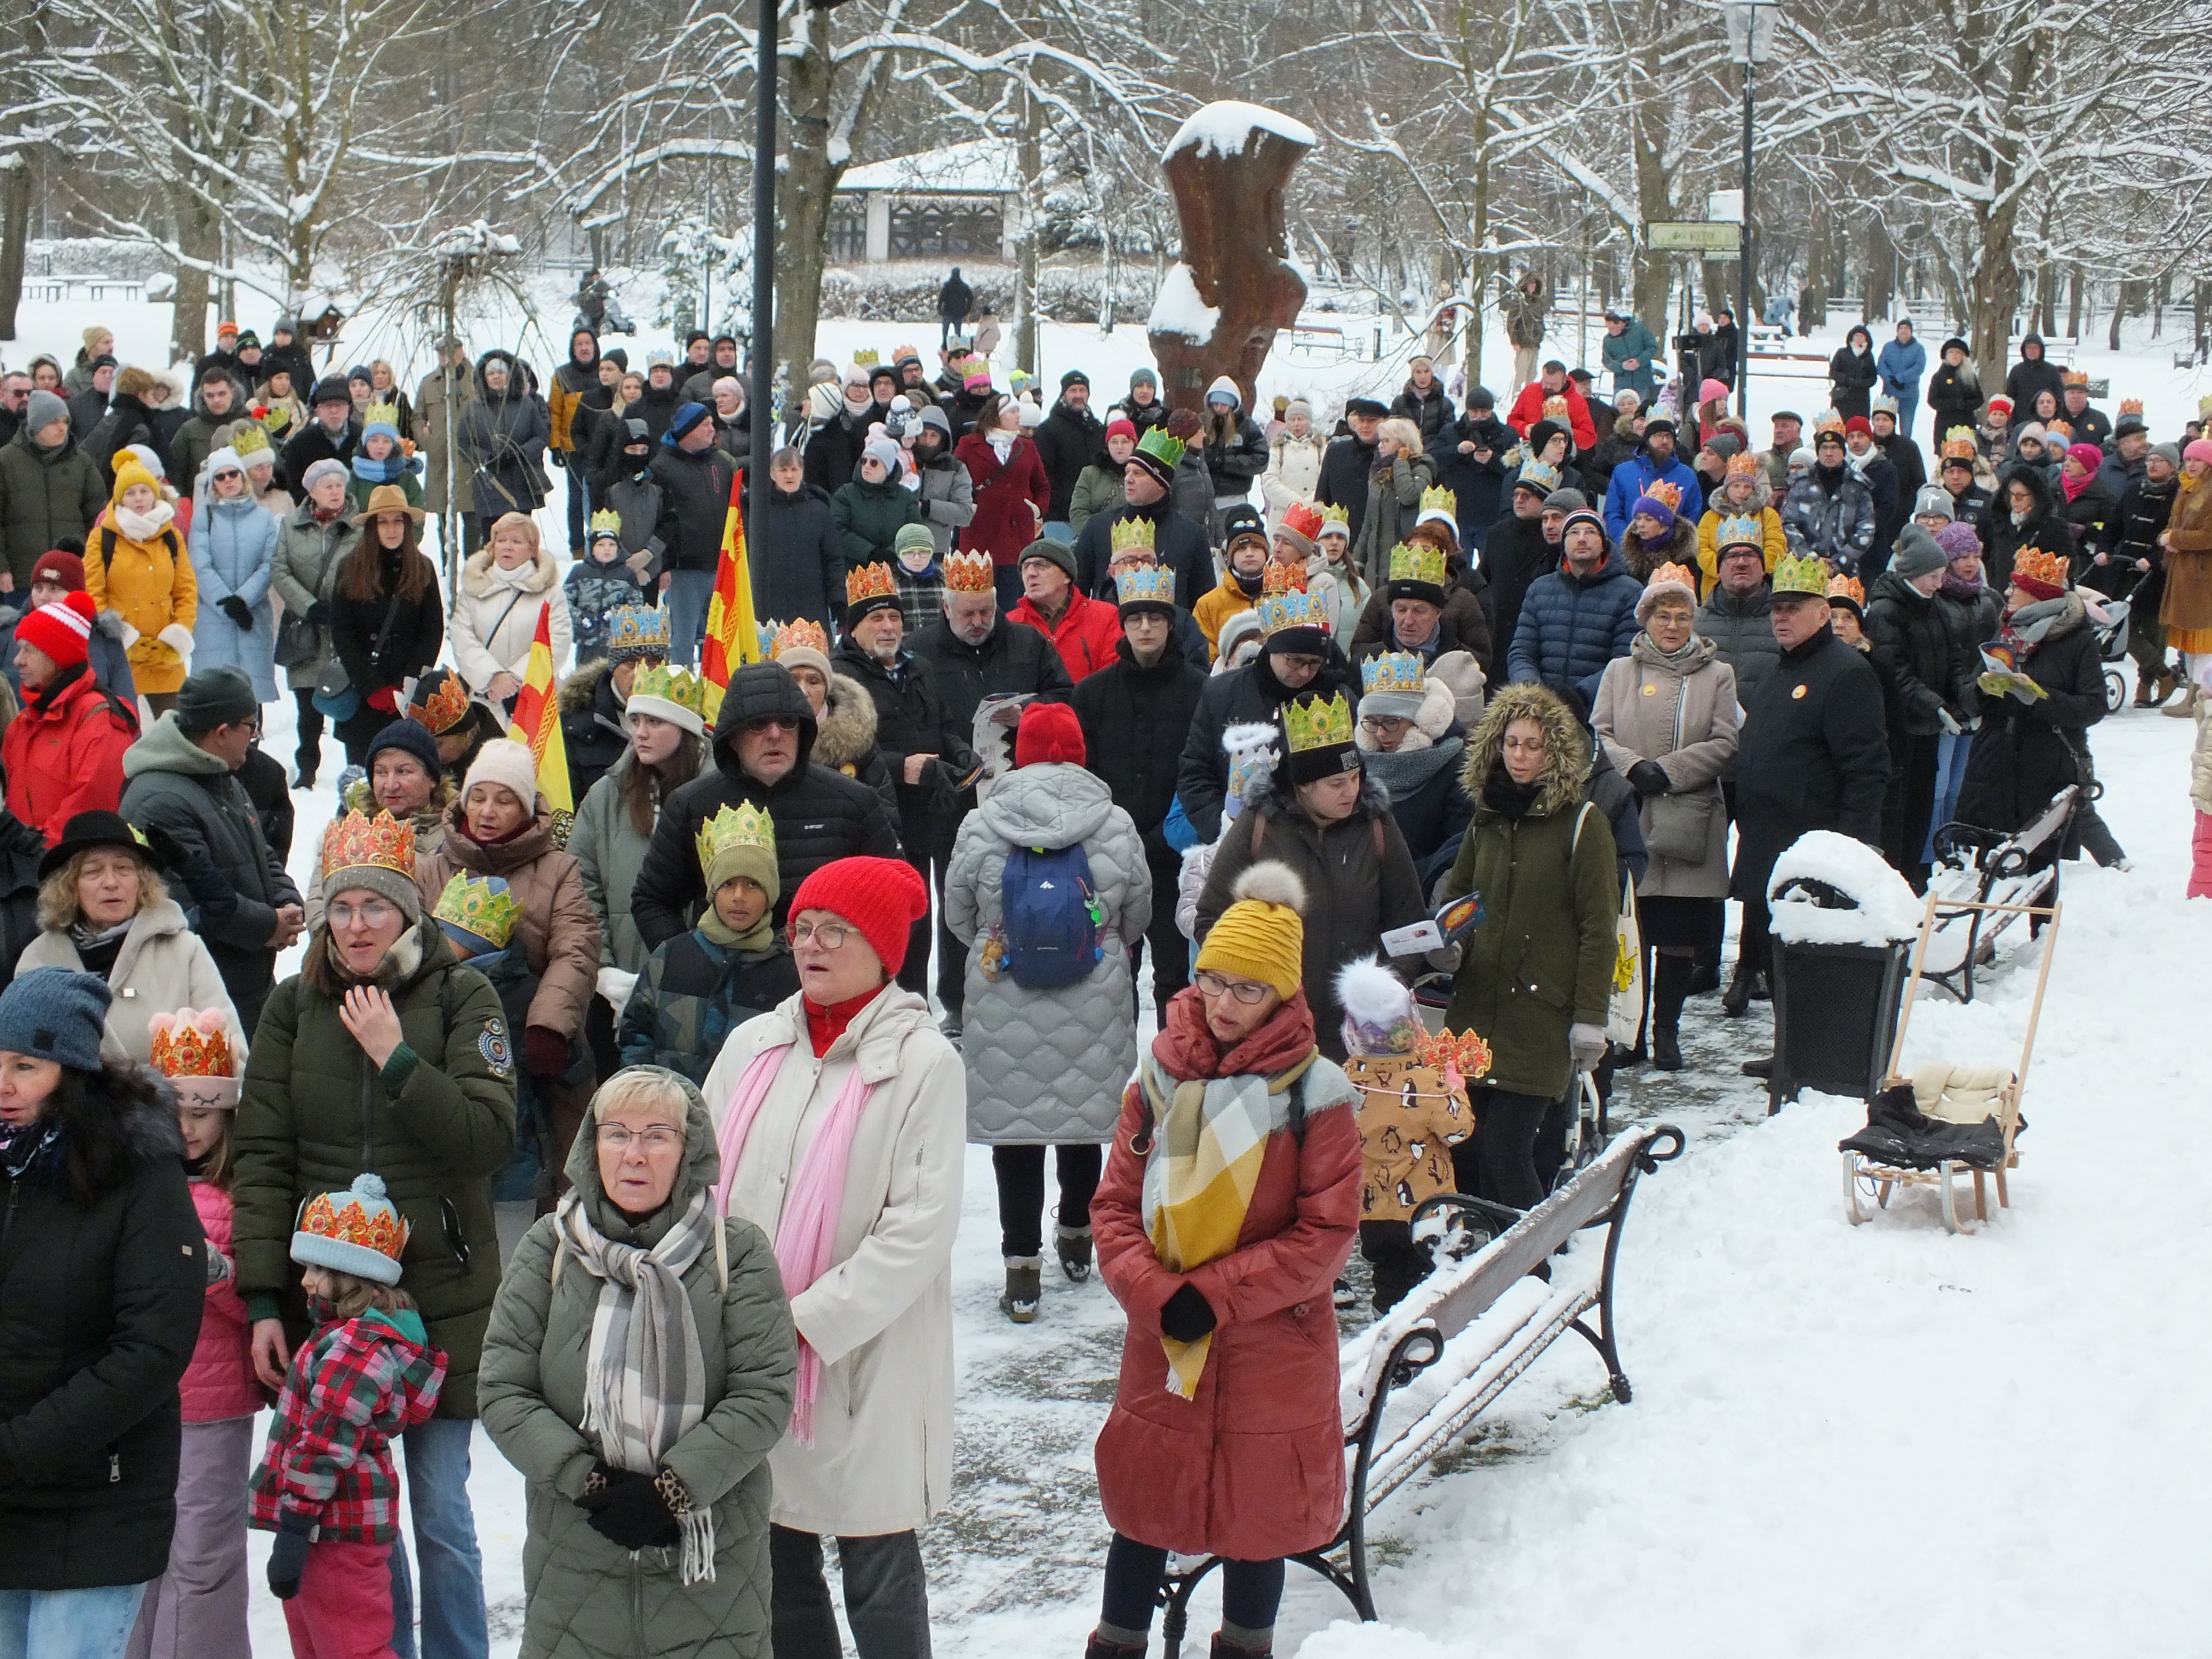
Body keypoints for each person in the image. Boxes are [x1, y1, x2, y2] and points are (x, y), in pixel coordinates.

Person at [232, 809, 512, 1659]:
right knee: (359, 1518)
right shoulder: (291, 1008)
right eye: (342, 908)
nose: (357, 925)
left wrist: (398, 1059)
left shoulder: (464, 994)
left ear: (408, 913)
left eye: (376, 908)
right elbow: (263, 1156)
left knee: (440, 1512)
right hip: (334, 1309)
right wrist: (262, 1299)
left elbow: (489, 1138)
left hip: (440, 1297)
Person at [1083, 862, 1359, 1659]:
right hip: (1164, 1340)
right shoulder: (1160, 1077)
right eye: (1211, 981)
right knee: (1142, 1515)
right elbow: (1115, 1206)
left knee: (1256, 1525)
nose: (1223, 1003)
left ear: (1283, 993)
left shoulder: (1318, 1094)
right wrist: (1156, 1293)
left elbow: (1325, 1235)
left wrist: (1214, 1295)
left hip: (1270, 1351)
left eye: (1247, 989)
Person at [695, 855, 960, 1659]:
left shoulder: (921, 1064)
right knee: (776, 1559)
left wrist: (801, 1322)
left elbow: (918, 1229)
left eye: (833, 931)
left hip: (862, 1361)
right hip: (750, 1356)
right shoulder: (754, 1046)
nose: (810, 946)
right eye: (802, 928)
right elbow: (698, 1183)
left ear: (883, 950)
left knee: (875, 1561)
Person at [480, 1063, 798, 1659]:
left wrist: (671, 1493)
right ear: (591, 1147)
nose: (635, 1154)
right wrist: (591, 1483)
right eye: (617, 1134)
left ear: (689, 1151)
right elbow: (503, 1389)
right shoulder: (550, 1248)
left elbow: (765, 1393)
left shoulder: (740, 1253)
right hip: (574, 1568)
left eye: (658, 1135)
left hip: (711, 1575)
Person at [0, 966, 205, 1659]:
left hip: (96, 1504)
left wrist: (20, 1450)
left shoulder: (140, 1174)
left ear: (75, 1073)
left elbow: (152, 1347)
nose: (4, 1084)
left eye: (26, 1066)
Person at [946, 702, 1146, 1321]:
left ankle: (1022, 1267)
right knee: (1085, 1121)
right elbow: (1135, 915)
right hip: (1096, 991)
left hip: (1003, 990)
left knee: (1019, 1135)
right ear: (1082, 754)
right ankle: (1079, 1235)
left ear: (1020, 753)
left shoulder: (983, 822)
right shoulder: (1115, 823)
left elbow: (957, 915)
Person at [247, 1172, 445, 1659]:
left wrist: (294, 1529)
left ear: (355, 1273)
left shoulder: (353, 1349)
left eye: (318, 1268)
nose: (307, 1280)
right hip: (326, 1525)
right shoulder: (344, 1336)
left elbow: (324, 1446)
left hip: (332, 1530)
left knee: (350, 1648)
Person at [1437, 683, 1617, 1202]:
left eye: (1533, 745)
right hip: (1474, 1011)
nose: (1519, 755)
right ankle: (1471, 1258)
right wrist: (1451, 947)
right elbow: (1460, 903)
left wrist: (1590, 1018)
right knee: (1462, 1149)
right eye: (1511, 743)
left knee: (1508, 1155)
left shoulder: (1583, 825)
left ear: (1555, 751)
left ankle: (1533, 1269)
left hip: (1540, 1016)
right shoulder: (1486, 818)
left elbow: (1597, 929)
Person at [1195, 689, 1431, 1061]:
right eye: (1337, 784)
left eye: (1356, 778)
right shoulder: (1260, 824)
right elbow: (1211, 916)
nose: (1351, 792)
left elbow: (1409, 924)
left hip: (1355, 1035)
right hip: (1269, 1033)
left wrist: (1389, 986)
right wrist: (1249, 986)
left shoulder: (1377, 826)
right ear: (1303, 784)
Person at [416, 742, 601, 1196]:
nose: (487, 811)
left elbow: (575, 949)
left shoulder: (558, 870)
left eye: (504, 800)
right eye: (478, 797)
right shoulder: (429, 869)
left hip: (527, 1034)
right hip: (443, 1038)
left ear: (525, 807)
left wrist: (549, 1025)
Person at [1725, 555, 1891, 1043]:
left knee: (1804, 962)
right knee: (1775, 959)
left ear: (1823, 613)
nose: (1781, 616)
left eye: (1794, 608)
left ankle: (1810, 1055)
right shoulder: (1782, 669)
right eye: (1777, 607)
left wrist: (1851, 852)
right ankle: (1789, 1052)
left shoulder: (1846, 673)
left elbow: (1866, 770)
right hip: (1766, 846)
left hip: (1811, 854)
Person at [631, 662, 902, 949]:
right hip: (729, 982)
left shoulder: (855, 802)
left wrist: (857, 966)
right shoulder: (690, 804)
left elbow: (895, 894)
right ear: (732, 738)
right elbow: (652, 900)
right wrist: (693, 963)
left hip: (825, 980)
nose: (775, 734)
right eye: (758, 724)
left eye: (788, 722)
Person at [1593, 566, 1738, 1070]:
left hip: (1690, 814)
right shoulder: (1619, 672)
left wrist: (1670, 771)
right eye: (1662, 616)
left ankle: (1667, 1031)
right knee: (1634, 932)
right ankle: (1630, 1034)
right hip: (1630, 809)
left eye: (1682, 617)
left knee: (1676, 934)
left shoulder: (1718, 675)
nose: (1673, 625)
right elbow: (1600, 734)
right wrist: (1634, 768)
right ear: (1646, 620)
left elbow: (1725, 741)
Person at [120, 667, 302, 1038]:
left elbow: (260, 850)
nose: (254, 739)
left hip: (245, 978)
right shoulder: (161, 800)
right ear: (222, 732)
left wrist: (286, 902)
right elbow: (189, 903)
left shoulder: (217, 775)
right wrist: (269, 924)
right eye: (251, 728)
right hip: (203, 995)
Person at [833, 565, 979, 992]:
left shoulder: (920, 667)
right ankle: (906, 1000)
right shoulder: (840, 677)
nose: (888, 626)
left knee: (952, 907)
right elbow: (847, 745)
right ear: (854, 628)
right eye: (876, 618)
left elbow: (944, 724)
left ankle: (954, 997)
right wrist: (904, 767)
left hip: (938, 805)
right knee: (909, 915)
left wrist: (961, 751)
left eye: (894, 617)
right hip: (884, 814)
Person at [1073, 564, 1207, 1014]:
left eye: (1154, 618)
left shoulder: (1202, 692)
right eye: (1135, 619)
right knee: (1111, 976)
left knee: (1174, 976)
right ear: (1123, 625)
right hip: (1109, 858)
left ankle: (1173, 1070)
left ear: (1171, 623)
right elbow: (1083, 776)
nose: (1145, 628)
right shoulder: (1091, 693)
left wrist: (1164, 838)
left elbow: (1204, 775)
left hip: (1174, 861)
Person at [17, 809, 235, 1061]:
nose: (111, 882)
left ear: (141, 882)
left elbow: (230, 1049)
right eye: (93, 871)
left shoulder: (184, 950)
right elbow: (22, 1062)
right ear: (69, 888)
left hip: (172, 1101)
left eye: (124, 868)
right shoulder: (38, 961)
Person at [1954, 546, 2107, 842]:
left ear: (2038, 595)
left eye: (2016, 587)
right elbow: (1968, 701)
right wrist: (1981, 689)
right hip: (1994, 769)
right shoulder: (2006, 634)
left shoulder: (2077, 641)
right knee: (1991, 864)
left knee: (2041, 868)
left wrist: (2038, 697)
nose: (2008, 593)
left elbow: (2094, 706)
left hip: (2047, 772)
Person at [1863, 529, 1964, 889]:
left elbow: (1952, 658)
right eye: (1933, 576)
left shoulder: (1934, 606)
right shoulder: (1886, 610)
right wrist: (1934, 705)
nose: (1940, 584)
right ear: (1913, 573)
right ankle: (1895, 881)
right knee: (1899, 812)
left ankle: (1915, 877)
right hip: (1901, 727)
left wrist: (1963, 698)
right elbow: (1895, 672)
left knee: (1922, 808)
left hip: (1928, 728)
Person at [4, 589, 139, 838]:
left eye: (28, 650)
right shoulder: (24, 724)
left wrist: (35, 855)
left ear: (57, 656)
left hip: (66, 868)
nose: (17, 661)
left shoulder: (99, 720)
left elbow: (90, 813)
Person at [329, 486, 445, 766]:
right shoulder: (350, 567)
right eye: (383, 521)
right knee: (362, 781)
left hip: (406, 697)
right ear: (372, 527)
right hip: (362, 695)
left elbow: (433, 630)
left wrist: (406, 685)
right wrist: (371, 687)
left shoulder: (423, 567)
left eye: (398, 521)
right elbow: (342, 631)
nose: (391, 529)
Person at [1353, 649, 1481, 881]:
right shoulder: (1360, 766)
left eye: (1392, 723)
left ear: (1421, 721)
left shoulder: (1456, 768)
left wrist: (1401, 878)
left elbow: (1458, 846)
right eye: (1373, 723)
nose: (1381, 734)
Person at [270, 462, 359, 785]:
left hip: (347, 626)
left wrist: (348, 606)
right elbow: (279, 569)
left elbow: (368, 568)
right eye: (328, 486)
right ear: (311, 491)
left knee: (350, 702)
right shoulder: (291, 526)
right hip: (305, 628)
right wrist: (308, 606)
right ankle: (307, 768)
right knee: (308, 707)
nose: (336, 491)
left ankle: (356, 770)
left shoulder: (359, 526)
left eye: (339, 485)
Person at [86, 457, 196, 715]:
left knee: (173, 739)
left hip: (166, 656)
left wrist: (179, 632)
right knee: (126, 737)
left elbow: (186, 590)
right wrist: (122, 635)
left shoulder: (171, 536)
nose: (139, 498)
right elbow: (92, 593)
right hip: (121, 654)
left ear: (155, 494)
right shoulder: (102, 537)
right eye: (131, 492)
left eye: (144, 491)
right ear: (119, 499)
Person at [1507, 507, 1641, 704]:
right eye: (1573, 533)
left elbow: (1625, 661)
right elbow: (1522, 651)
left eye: (1590, 532)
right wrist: (1531, 691)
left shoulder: (1630, 592)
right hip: (1541, 707)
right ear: (1563, 544)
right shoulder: (1540, 589)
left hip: (1599, 709)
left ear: (1604, 544)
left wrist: (1580, 696)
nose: (1582, 539)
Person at [1071, 427, 1211, 615]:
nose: (1128, 479)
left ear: (1162, 482)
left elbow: (1204, 605)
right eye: (1128, 472)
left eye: (1138, 474)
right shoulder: (1098, 526)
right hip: (1108, 637)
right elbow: (1075, 595)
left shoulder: (1191, 534)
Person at [450, 512, 572, 716]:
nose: (507, 546)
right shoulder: (473, 589)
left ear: (532, 549)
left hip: (536, 702)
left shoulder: (551, 592)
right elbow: (462, 638)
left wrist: (515, 679)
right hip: (485, 702)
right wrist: (493, 678)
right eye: (502, 540)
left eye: (516, 541)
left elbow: (558, 641)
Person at [185, 448, 278, 707]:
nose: (228, 481)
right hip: (213, 618)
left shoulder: (264, 518)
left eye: (233, 474)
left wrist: (243, 600)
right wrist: (227, 602)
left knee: (251, 696)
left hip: (253, 614)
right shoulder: (204, 517)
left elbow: (269, 564)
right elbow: (200, 564)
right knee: (216, 698)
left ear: (243, 477)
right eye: (220, 477)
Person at [0, 390, 110, 592]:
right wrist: (2, 569)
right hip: (23, 579)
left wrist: (93, 565)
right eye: (54, 422)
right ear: (36, 425)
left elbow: (98, 519)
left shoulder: (82, 462)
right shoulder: (6, 461)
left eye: (65, 421)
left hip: (70, 577)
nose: (63, 428)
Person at [955, 393, 1051, 610]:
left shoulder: (1027, 447)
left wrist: (1038, 510)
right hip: (978, 537)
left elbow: (1042, 486)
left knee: (1013, 607)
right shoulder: (969, 445)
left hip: (1017, 538)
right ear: (996, 416)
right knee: (977, 604)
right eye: (1013, 411)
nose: (1019, 416)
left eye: (1018, 411)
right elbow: (954, 480)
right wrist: (965, 505)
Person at [458, 351, 550, 548]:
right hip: (489, 485)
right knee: (493, 541)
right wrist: (486, 458)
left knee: (521, 538)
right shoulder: (474, 409)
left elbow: (541, 436)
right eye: (491, 374)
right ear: (484, 378)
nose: (496, 377)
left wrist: (522, 453)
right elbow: (464, 443)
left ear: (509, 375)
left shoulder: (526, 405)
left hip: (521, 481)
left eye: (500, 372)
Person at [1781, 422, 1877, 574]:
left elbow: (1866, 529)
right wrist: (1810, 558)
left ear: (1843, 452)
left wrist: (1838, 563)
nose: (1829, 453)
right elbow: (1788, 524)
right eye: (1824, 448)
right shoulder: (1800, 484)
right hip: (1803, 568)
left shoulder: (1857, 486)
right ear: (1818, 452)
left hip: (1845, 571)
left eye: (1834, 448)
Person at [1601, 415, 1701, 544]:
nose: (1665, 441)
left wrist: (1673, 544)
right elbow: (1613, 514)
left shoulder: (1687, 476)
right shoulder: (1623, 472)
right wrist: (1628, 543)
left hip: (1672, 552)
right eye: (1658, 435)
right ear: (1647, 440)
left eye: (1669, 437)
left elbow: (1692, 517)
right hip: (1630, 550)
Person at [1986, 462, 2070, 596]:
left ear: (2035, 497)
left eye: (2020, 496)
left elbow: (2065, 568)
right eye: (2011, 495)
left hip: (2035, 601)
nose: (2014, 501)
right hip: (2001, 597)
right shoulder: (2002, 523)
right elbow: (1993, 563)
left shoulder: (2053, 527)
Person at [1876, 321, 1926, 441]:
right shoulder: (1888, 347)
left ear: (1911, 332)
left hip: (1909, 394)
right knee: (1886, 426)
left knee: (1906, 428)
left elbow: (1919, 367)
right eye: (1901, 328)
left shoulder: (1918, 349)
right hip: (1890, 393)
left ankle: (1905, 451)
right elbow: (1881, 365)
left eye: (1907, 329)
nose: (1904, 331)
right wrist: (1890, 379)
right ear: (1897, 331)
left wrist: (1901, 379)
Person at [1501, 272, 1550, 392]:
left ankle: (1529, 400)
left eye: (1535, 285)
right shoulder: (1519, 301)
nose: (1533, 287)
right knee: (1520, 375)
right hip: (1522, 345)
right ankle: (1516, 399)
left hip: (1534, 345)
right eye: (1531, 284)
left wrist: (1540, 336)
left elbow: (1540, 322)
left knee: (1532, 376)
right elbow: (1511, 323)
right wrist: (1515, 341)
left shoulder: (1538, 303)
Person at [2003, 335, 2067, 424]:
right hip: (2021, 421)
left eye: (2035, 348)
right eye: (2029, 347)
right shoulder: (2016, 371)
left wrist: (2059, 420)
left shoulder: (2052, 371)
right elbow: (2010, 398)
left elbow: (2060, 398)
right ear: (2024, 350)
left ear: (2041, 350)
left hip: (2047, 422)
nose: (2032, 351)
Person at [1602, 309, 1662, 403]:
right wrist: (1622, 366)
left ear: (1622, 323)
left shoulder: (1639, 330)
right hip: (1622, 384)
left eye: (1613, 328)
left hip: (1643, 382)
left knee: (1644, 410)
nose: (1610, 331)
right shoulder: (1608, 340)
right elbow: (1607, 361)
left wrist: (1640, 361)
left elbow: (1653, 347)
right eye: (1608, 328)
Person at [1828, 325, 1878, 422]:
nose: (1859, 338)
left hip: (1861, 400)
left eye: (1862, 336)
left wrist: (1862, 384)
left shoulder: (1869, 356)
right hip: (1842, 398)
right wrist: (1847, 380)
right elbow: (1833, 373)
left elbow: (1873, 377)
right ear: (1851, 337)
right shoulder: (1842, 353)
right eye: (1856, 336)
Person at [938, 266, 973, 347]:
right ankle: (957, 347)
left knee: (945, 331)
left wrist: (939, 308)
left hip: (947, 312)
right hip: (959, 313)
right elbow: (970, 298)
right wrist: (967, 310)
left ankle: (945, 345)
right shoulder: (964, 286)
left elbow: (941, 298)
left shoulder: (947, 285)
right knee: (958, 333)